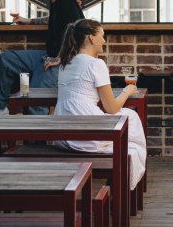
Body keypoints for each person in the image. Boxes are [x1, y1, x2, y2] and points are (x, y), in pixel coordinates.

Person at [51, 19, 146, 189]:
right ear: (91, 38)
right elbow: (111, 107)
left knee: (126, 124)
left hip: (63, 135)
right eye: (102, 36)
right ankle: (121, 182)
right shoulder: (96, 64)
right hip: (86, 134)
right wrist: (128, 90)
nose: (104, 40)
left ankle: (115, 181)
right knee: (131, 117)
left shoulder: (65, 64)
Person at [0, 0, 83, 114]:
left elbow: (79, 33)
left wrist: (60, 58)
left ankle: (36, 134)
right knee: (6, 60)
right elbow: (51, 20)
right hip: (46, 58)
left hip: (59, 64)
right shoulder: (58, 1)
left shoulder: (67, 2)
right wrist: (29, 21)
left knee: (33, 102)